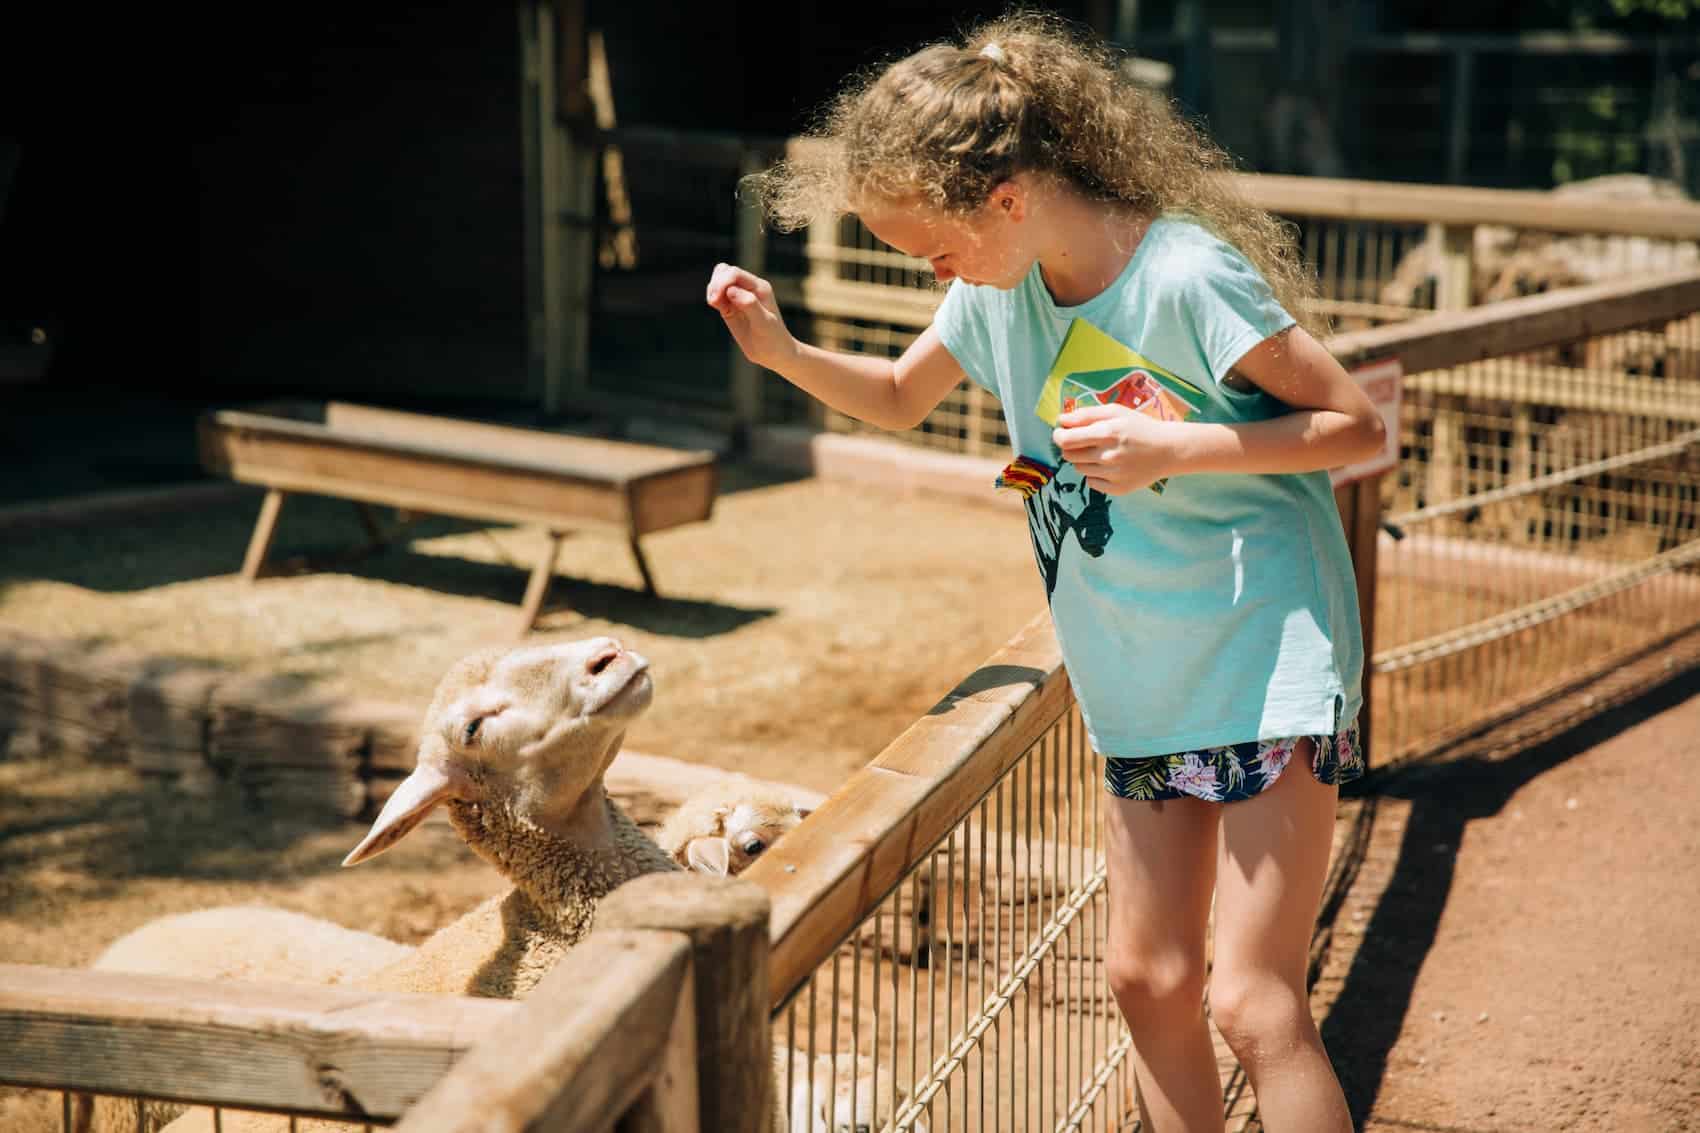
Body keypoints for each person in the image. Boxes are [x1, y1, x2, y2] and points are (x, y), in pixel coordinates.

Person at [706, 12, 1381, 1132]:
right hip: (1139, 677)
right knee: (1143, 976)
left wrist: (1180, 448)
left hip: (1265, 648)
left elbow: (1347, 421)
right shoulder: (994, 290)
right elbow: (892, 393)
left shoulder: (1180, 273)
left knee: (1252, 1000)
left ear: (1006, 199)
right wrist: (780, 351)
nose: (934, 272)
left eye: (934, 247)